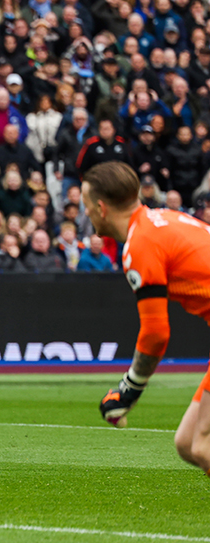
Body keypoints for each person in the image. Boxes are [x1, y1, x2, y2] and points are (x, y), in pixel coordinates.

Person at [84, 163, 210, 476]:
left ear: (101, 208)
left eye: (86, 206)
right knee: (187, 443)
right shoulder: (161, 219)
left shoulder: (139, 243)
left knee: (202, 445)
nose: (85, 214)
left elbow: (155, 333)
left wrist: (130, 389)